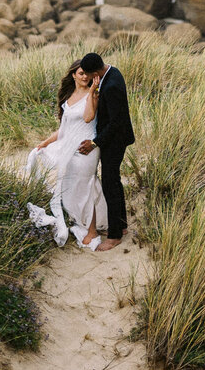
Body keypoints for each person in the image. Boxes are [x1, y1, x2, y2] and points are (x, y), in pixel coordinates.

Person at [25, 60, 108, 248]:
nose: (85, 76)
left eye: (88, 73)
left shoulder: (93, 94)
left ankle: (93, 231)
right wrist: (45, 142)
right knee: (72, 187)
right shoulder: (69, 96)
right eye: (81, 73)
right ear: (73, 75)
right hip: (69, 148)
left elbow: (88, 117)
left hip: (87, 148)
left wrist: (92, 91)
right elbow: (64, 129)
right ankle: (83, 221)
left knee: (86, 186)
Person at [75, 51, 134, 249]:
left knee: (110, 183)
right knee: (114, 181)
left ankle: (115, 235)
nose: (88, 78)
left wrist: (95, 142)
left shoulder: (112, 86)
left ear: (95, 72)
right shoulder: (112, 72)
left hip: (114, 141)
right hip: (115, 138)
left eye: (89, 74)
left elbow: (116, 122)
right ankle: (122, 225)